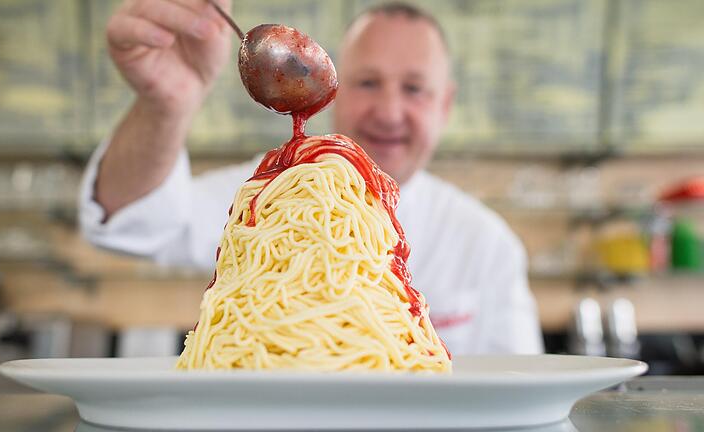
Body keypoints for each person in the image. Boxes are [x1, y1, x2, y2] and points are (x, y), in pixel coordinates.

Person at [79, 0, 544, 355]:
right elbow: (132, 221)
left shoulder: (486, 244)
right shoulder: (275, 191)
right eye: (366, 82)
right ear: (336, 92)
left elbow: (521, 394)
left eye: (414, 88)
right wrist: (166, 104)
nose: (389, 111)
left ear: (445, 105)